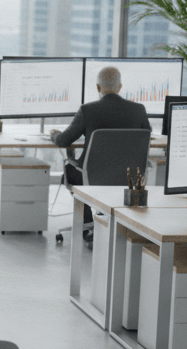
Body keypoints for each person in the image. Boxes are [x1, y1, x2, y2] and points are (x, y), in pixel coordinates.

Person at [50, 65, 152, 234]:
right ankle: (112, 223)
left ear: (98, 87)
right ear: (120, 87)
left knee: (70, 172)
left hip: (91, 178)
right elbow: (146, 138)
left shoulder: (87, 110)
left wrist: (53, 134)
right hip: (129, 179)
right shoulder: (139, 110)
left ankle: (89, 224)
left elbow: (63, 140)